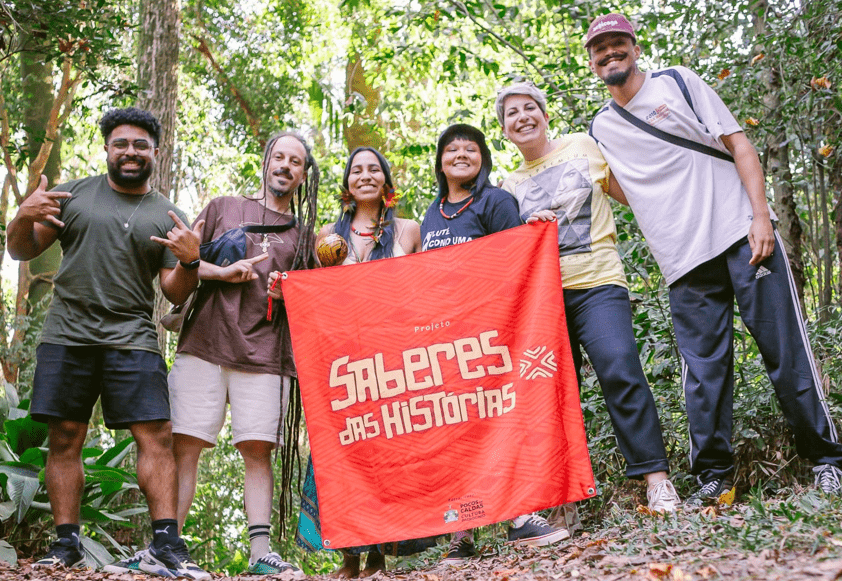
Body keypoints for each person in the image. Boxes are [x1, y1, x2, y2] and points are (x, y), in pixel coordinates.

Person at [585, 13, 842, 504]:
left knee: (785, 352)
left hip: (740, 234)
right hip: (682, 259)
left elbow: (739, 145)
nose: (611, 53)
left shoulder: (677, 82)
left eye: (619, 43)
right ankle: (714, 478)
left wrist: (761, 217)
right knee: (704, 375)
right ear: (592, 61)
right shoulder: (601, 128)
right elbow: (615, 186)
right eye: (602, 48)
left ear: (635, 48)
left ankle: (827, 460)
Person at [7, 107, 209, 579]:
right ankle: (66, 544)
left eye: (141, 145)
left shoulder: (167, 213)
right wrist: (21, 214)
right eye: (121, 143)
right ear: (107, 149)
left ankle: (166, 544)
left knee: (155, 436)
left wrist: (192, 262)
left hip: (133, 338)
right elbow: (21, 249)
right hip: (67, 335)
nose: (131, 152)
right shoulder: (74, 194)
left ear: (155, 152)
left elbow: (173, 290)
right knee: (65, 438)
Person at [494, 82, 680, 516]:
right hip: (545, 300)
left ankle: (657, 481)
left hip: (598, 283)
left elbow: (632, 193)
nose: (522, 117)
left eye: (529, 108)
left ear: (543, 112)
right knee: (552, 395)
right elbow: (509, 250)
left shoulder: (582, 145)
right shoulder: (509, 184)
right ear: (504, 130)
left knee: (620, 369)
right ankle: (562, 500)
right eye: (511, 114)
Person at [166, 132, 319, 576]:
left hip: (267, 354)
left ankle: (260, 552)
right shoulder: (222, 208)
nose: (285, 166)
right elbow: (183, 263)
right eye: (279, 157)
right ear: (266, 161)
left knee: (258, 449)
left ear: (303, 174)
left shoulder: (305, 235)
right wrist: (222, 271)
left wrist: (288, 294)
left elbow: (310, 300)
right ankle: (169, 545)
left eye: (295, 161)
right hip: (206, 344)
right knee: (186, 444)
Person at [420, 123, 569, 563]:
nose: (462, 154)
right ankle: (462, 531)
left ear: (483, 158)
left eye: (471, 148)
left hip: (492, 332)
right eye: (452, 148)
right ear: (441, 160)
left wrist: (533, 231)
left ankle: (520, 516)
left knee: (500, 423)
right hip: (447, 341)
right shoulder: (432, 212)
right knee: (457, 431)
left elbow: (515, 260)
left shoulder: (497, 201)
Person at [291, 146, 423, 578]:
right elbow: (314, 296)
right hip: (342, 358)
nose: (365, 175)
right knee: (342, 449)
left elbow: (426, 291)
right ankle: (349, 555)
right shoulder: (327, 236)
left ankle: (380, 554)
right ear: (347, 183)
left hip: (393, 356)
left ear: (386, 181)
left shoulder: (408, 231)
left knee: (388, 450)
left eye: (374, 169)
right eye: (356, 170)